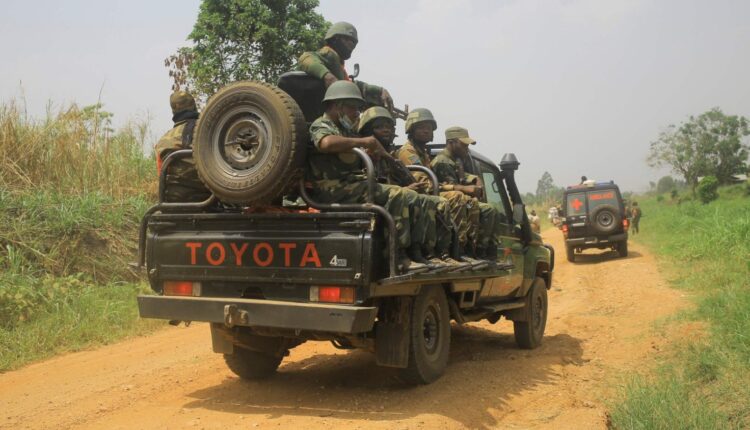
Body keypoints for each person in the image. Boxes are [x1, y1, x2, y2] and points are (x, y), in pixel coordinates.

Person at [305, 81, 426, 273]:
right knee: (398, 194)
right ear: (337, 105)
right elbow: (326, 143)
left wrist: (371, 154)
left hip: (351, 186)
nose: (357, 113)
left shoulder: (345, 130)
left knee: (411, 196)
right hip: (332, 189)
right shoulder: (322, 124)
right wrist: (363, 141)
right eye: (353, 107)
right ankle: (396, 257)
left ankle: (416, 253)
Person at [357, 106, 466, 269]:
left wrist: (407, 186)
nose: (386, 130)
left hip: (391, 195)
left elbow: (394, 181)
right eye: (379, 126)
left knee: (430, 200)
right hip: (370, 197)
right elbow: (369, 181)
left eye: (388, 126)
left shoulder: (390, 154)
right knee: (416, 197)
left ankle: (429, 253)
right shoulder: (364, 152)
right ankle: (402, 255)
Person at [395, 109, 487, 265]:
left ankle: (463, 250)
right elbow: (425, 185)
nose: (426, 131)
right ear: (411, 129)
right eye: (421, 127)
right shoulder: (408, 152)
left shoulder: (423, 153)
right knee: (456, 197)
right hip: (415, 196)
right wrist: (458, 188)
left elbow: (433, 183)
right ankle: (446, 252)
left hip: (425, 194)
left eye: (429, 128)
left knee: (470, 201)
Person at [431, 126, 502, 258]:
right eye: (463, 145)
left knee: (491, 209)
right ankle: (462, 248)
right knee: (470, 202)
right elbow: (453, 186)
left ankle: (481, 249)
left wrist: (475, 179)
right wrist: (469, 191)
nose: (466, 148)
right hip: (450, 202)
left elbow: (462, 178)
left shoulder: (455, 161)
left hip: (457, 201)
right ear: (451, 143)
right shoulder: (442, 161)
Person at [297, 22, 392, 110]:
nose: (352, 45)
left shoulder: (338, 63)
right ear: (335, 39)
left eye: (354, 42)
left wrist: (379, 90)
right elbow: (305, 58)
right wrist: (328, 76)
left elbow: (350, 84)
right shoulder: (329, 53)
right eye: (348, 40)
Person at [154, 90, 211, 203]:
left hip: (174, 201)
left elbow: (161, 177)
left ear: (174, 110)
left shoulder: (162, 143)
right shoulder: (212, 133)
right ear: (194, 106)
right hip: (210, 200)